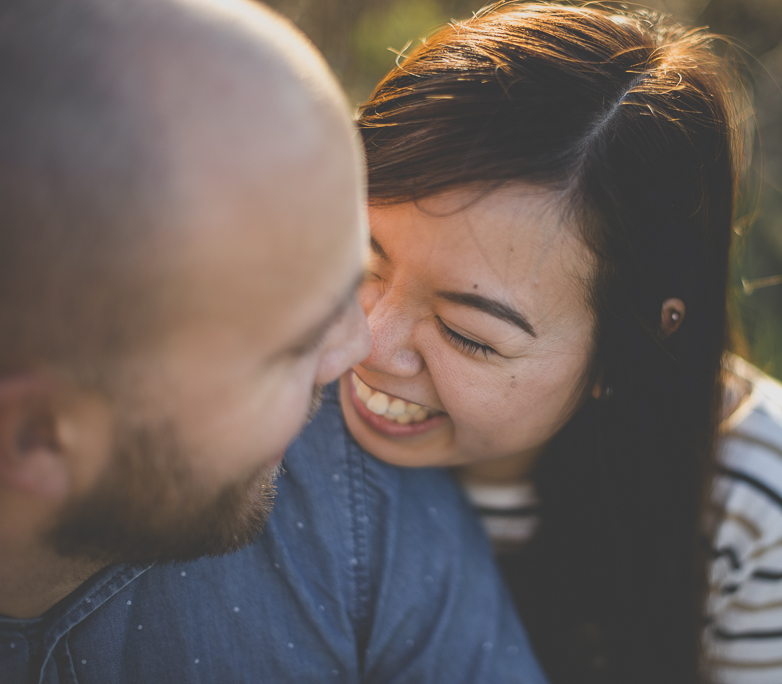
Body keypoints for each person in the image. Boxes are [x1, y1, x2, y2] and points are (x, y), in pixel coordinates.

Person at [0, 1, 546, 682]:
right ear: (38, 437)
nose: (359, 350)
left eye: (357, 277)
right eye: (291, 348)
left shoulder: (360, 504)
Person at [347, 4, 782, 684]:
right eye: (361, 260)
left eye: (468, 335)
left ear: (626, 347)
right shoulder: (256, 386)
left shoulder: (756, 490)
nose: (369, 343)